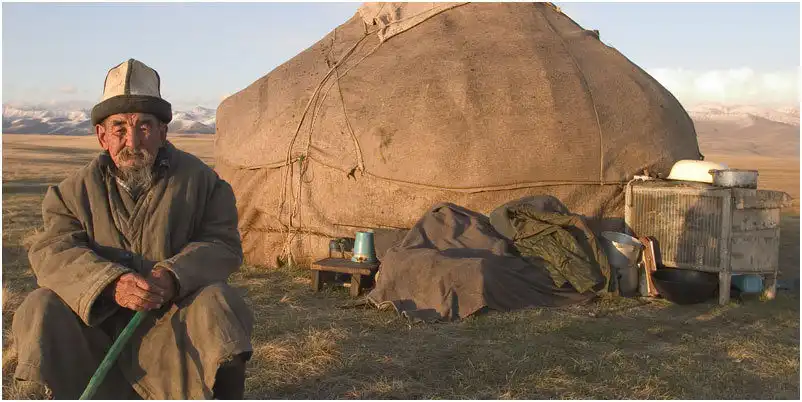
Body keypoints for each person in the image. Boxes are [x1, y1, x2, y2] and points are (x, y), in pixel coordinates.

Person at [11, 59, 253, 400]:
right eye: (119, 128)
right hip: (94, 330)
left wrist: (174, 275)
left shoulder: (204, 184)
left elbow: (222, 244)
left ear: (163, 132)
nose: (133, 141)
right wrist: (110, 283)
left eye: (144, 127)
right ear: (102, 136)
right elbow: (53, 251)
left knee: (219, 303)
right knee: (40, 305)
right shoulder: (70, 193)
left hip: (173, 327)